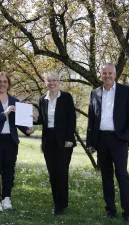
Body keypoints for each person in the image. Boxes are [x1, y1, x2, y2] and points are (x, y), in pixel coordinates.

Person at [86, 63, 129, 224]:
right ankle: (110, 210)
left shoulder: (126, 91)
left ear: (115, 75)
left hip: (119, 139)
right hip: (102, 140)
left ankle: (128, 213)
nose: (107, 76)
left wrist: (126, 137)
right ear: (101, 75)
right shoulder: (95, 93)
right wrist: (91, 142)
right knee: (106, 176)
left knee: (122, 175)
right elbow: (92, 119)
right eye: (104, 73)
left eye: (110, 73)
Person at [0, 72, 34, 212]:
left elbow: (19, 121)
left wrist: (27, 130)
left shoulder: (15, 100)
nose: (2, 84)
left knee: (9, 171)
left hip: (10, 141)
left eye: (5, 81)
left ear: (8, 84)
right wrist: (5, 113)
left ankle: (6, 198)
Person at [34, 72, 76, 215]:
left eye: (54, 80)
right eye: (49, 81)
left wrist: (70, 139)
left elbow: (72, 119)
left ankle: (61, 205)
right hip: (48, 140)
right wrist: (27, 120)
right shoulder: (42, 99)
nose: (52, 83)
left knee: (62, 172)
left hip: (64, 141)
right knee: (53, 174)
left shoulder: (66, 97)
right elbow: (41, 119)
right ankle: (56, 202)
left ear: (59, 82)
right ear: (45, 83)